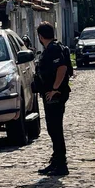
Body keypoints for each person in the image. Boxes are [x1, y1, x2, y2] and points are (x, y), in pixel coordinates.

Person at [35, 22, 71, 176]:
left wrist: (55, 88)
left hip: (55, 95)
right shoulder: (52, 48)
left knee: (55, 129)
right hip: (50, 93)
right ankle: (56, 161)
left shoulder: (54, 49)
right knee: (52, 128)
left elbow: (62, 68)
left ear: (40, 36)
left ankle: (61, 165)